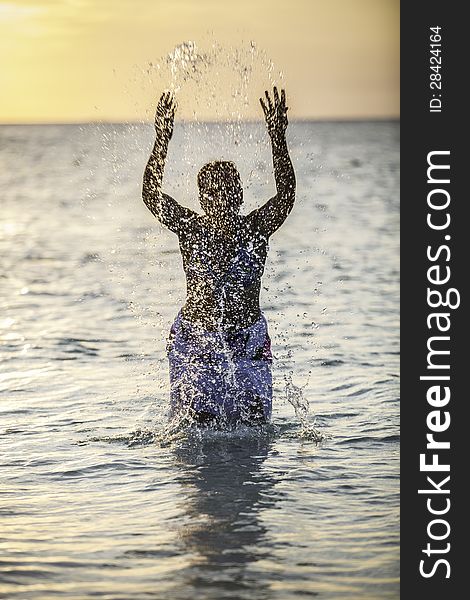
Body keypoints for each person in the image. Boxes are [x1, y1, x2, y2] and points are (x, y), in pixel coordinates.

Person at [142, 87, 296, 427]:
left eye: (228, 189)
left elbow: (286, 194)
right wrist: (162, 139)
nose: (221, 196)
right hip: (196, 340)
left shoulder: (256, 228)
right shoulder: (190, 228)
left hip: (248, 340)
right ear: (201, 197)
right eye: (212, 191)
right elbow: (151, 195)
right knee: (198, 429)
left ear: (240, 193)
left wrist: (277, 138)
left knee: (255, 428)